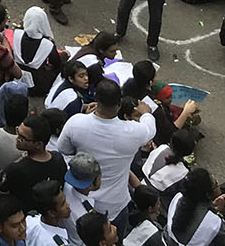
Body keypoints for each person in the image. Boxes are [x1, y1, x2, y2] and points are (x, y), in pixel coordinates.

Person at [52, 80, 156, 219]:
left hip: (80, 198)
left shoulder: (75, 123)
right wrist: (146, 113)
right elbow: (150, 128)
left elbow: (63, 149)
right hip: (114, 204)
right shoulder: (133, 132)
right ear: (119, 104)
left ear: (96, 98)